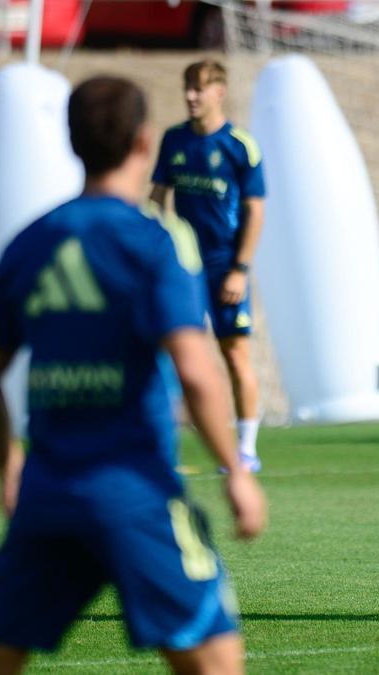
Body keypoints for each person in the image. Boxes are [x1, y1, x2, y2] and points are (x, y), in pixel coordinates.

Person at [0, 75, 267, 675]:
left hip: (47, 496)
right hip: (136, 495)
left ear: (73, 142)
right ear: (144, 141)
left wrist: (10, 468)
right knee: (216, 660)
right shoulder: (155, 240)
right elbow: (196, 372)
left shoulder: (30, 242)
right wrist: (236, 471)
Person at [150, 60, 265, 473]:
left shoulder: (240, 145)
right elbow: (157, 199)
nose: (190, 96)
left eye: (199, 88)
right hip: (183, 269)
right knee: (174, 356)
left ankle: (246, 450)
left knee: (234, 354)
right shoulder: (174, 140)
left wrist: (240, 269)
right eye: (187, 87)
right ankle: (164, 446)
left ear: (220, 92)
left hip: (224, 267)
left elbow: (255, 211)